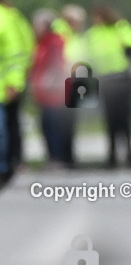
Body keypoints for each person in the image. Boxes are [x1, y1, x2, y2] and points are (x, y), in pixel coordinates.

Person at [83, 3, 131, 168]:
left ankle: (130, 153)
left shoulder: (121, 28)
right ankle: (112, 155)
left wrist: (130, 47)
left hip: (122, 77)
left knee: (125, 117)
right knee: (110, 118)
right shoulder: (92, 34)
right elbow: (86, 54)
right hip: (105, 79)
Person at [29, 9, 76, 167]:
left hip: (55, 93)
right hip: (43, 93)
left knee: (54, 125)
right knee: (46, 125)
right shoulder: (40, 43)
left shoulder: (54, 42)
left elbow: (56, 65)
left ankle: (58, 158)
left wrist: (48, 82)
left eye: (37, 25)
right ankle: (52, 157)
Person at [0, 0, 35, 177]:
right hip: (13, 80)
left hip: (7, 83)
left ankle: (12, 162)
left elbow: (17, 53)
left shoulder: (8, 18)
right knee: (11, 123)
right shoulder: (14, 16)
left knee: (9, 124)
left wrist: (15, 80)